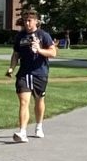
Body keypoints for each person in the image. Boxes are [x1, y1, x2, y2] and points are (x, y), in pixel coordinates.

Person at [8, 10, 57, 142]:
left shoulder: (43, 35)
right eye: (25, 21)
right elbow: (16, 54)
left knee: (39, 100)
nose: (27, 23)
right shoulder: (20, 36)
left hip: (40, 73)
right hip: (24, 73)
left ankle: (39, 125)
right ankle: (22, 132)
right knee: (24, 102)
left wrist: (39, 50)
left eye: (30, 20)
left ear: (36, 21)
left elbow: (53, 53)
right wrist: (11, 68)